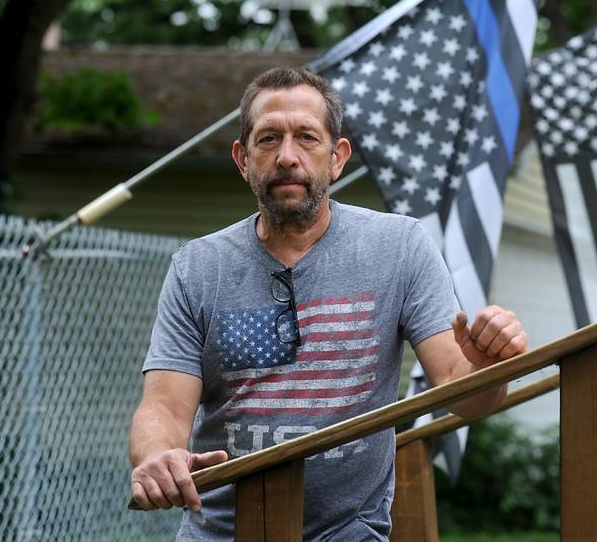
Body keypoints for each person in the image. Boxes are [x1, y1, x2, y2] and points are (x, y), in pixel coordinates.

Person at [129, 67, 528, 541]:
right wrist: (157, 453)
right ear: (242, 159)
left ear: (337, 158)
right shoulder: (198, 267)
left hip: (349, 532)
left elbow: (463, 392)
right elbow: (165, 409)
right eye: (268, 139)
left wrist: (486, 367)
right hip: (219, 530)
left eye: (307, 138)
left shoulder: (398, 246)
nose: (287, 157)